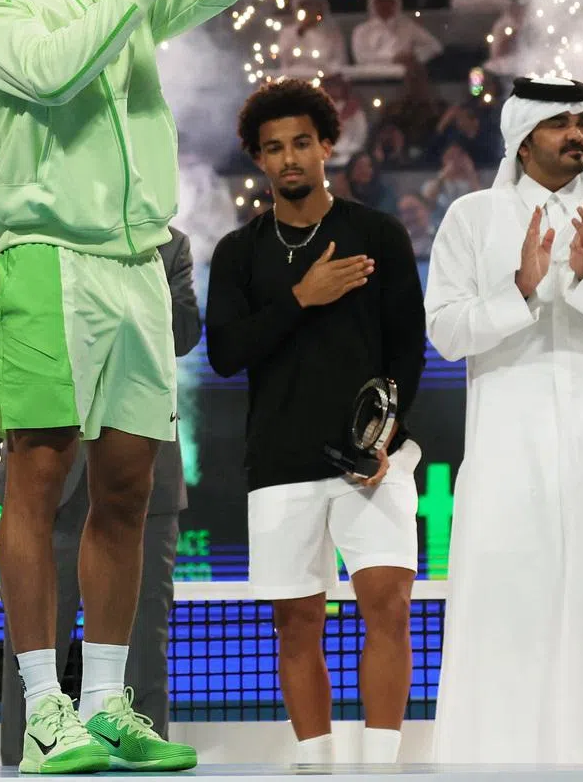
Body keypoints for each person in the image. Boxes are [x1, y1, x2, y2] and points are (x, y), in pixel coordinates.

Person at [0, 0, 264, 774]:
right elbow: (54, 77)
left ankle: (108, 705)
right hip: (48, 259)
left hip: (138, 270)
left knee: (128, 489)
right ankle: (46, 712)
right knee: (37, 485)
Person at [205, 79, 425, 766]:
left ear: (328, 144)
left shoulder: (378, 235)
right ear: (259, 161)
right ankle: (316, 768)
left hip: (372, 462)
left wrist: (384, 438)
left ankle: (384, 768)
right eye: (274, 149)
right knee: (296, 624)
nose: (290, 158)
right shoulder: (238, 254)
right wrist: (301, 298)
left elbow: (406, 349)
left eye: (301, 142)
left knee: (386, 606)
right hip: (279, 462)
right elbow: (225, 353)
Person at [426, 74, 583, 763]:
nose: (577, 136)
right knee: (509, 609)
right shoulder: (473, 218)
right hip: (511, 459)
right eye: (561, 124)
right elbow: (446, 333)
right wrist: (521, 291)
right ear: (522, 138)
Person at [0, 225, 201, 766]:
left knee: (145, 656)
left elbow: (186, 331)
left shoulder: (168, 244)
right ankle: (40, 732)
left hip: (135, 470)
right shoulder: (40, 231)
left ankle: (109, 713)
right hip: (55, 484)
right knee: (36, 660)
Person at [350, 0, 442, 68]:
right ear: (373, 4)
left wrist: (413, 57)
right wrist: (393, 59)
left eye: (389, 1)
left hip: (404, 79)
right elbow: (361, 59)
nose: (385, 5)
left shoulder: (408, 26)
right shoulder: (361, 30)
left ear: (396, 4)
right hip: (372, 81)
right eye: (380, 2)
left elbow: (435, 46)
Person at [275, 0, 347, 79]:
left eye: (314, 7)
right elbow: (284, 59)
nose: (310, 11)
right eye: (306, 8)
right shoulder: (288, 33)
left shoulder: (332, 33)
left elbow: (340, 59)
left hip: (326, 79)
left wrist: (327, 72)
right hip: (295, 79)